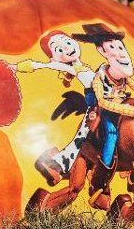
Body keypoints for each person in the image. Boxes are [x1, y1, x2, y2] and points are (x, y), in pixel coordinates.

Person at [71, 23, 134, 201]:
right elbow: (103, 101)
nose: (120, 52)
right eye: (112, 47)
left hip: (124, 107)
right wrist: (132, 111)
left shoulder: (123, 75)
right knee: (111, 133)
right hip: (107, 111)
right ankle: (99, 180)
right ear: (102, 51)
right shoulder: (100, 78)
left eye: (120, 47)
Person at [14, 30, 96, 185]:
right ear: (54, 58)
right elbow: (39, 65)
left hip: (108, 103)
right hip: (96, 108)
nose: (67, 48)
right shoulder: (71, 68)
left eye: (67, 42)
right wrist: (16, 67)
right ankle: (54, 164)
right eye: (59, 49)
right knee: (83, 138)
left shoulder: (82, 67)